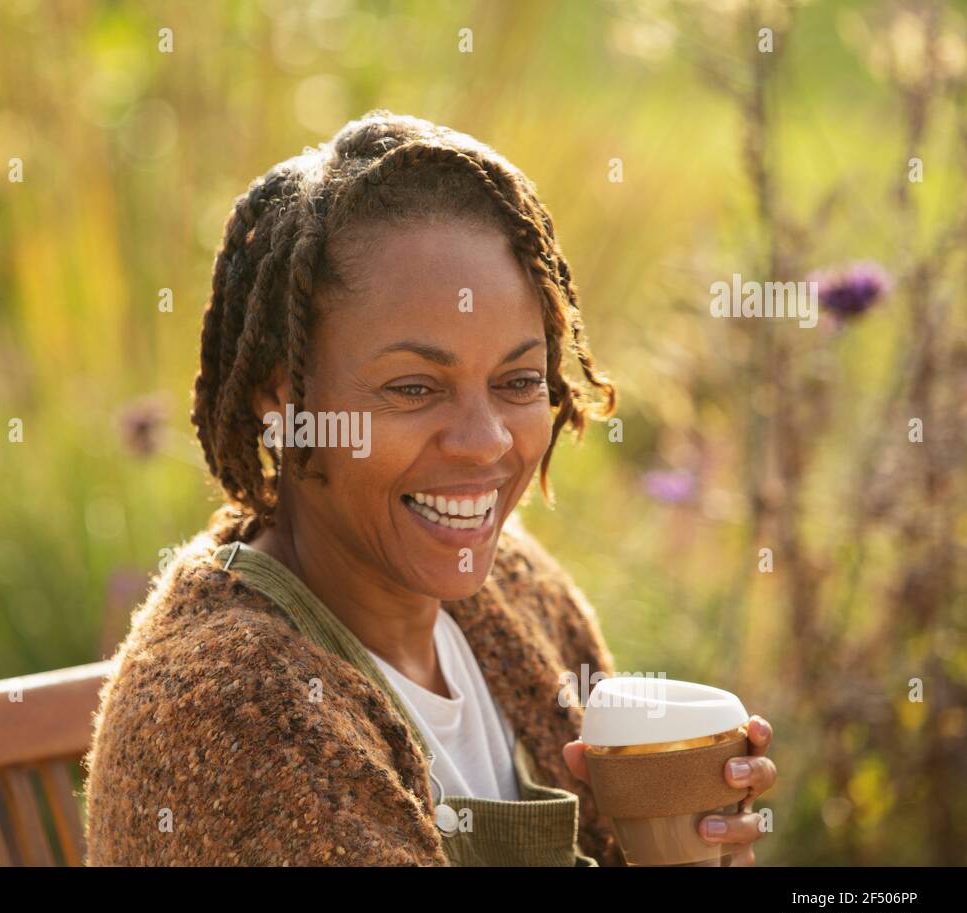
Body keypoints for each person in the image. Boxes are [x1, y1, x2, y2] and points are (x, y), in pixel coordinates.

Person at [85, 110, 776, 865]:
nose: (486, 441)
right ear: (284, 406)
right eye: (414, 388)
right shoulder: (229, 711)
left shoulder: (517, 592)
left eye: (518, 381)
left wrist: (695, 845)